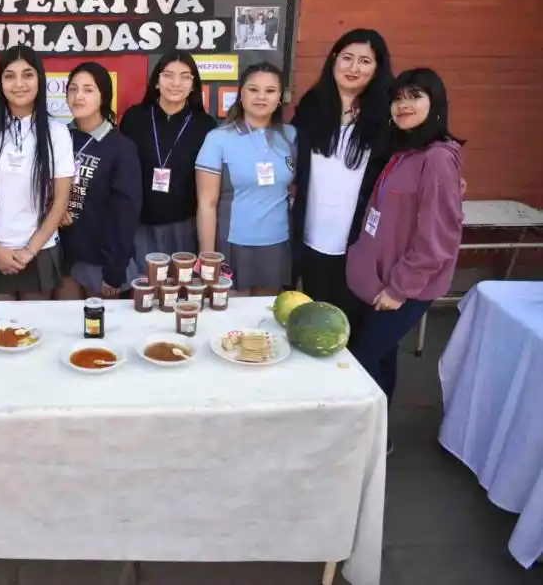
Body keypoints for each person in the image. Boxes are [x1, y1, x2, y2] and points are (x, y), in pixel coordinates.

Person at [346, 68, 464, 409]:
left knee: (361, 361)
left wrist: (400, 288)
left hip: (403, 289)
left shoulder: (438, 159)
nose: (403, 105)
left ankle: (369, 435)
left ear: (436, 103)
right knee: (382, 357)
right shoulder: (404, 151)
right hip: (377, 282)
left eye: (415, 97)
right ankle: (381, 437)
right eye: (398, 98)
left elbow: (437, 238)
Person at [290, 29, 394, 333]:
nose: (353, 68)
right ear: (334, 60)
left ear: (377, 68)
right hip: (312, 235)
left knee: (351, 328)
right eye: (347, 58)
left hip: (359, 242)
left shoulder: (386, 117)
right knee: (315, 323)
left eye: (364, 61)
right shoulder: (312, 105)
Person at [0, 46, 74, 300]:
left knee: (34, 332)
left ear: (39, 80)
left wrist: (31, 250)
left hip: (38, 249)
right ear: (0, 82)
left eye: (27, 75)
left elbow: (61, 199)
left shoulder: (57, 132)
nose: (18, 84)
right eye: (10, 76)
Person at [195, 62, 296, 295]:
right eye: (253, 89)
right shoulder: (218, 139)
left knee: (264, 321)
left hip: (276, 244)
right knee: (230, 320)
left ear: (280, 97)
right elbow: (206, 204)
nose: (261, 97)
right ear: (241, 94)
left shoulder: (291, 136)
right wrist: (207, 257)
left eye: (270, 91)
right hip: (233, 245)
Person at [120, 49, 217, 266]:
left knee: (180, 292)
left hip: (184, 226)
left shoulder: (205, 126)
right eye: (168, 75)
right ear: (156, 81)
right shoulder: (134, 118)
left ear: (193, 85)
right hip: (139, 224)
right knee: (142, 291)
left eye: (185, 77)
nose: (176, 83)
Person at [56, 62, 142, 299]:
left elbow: (125, 214)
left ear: (104, 96)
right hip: (62, 255)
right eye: (72, 89)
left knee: (101, 330)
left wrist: (114, 270)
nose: (78, 96)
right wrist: (53, 208)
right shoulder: (59, 137)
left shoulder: (121, 148)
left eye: (88, 90)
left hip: (100, 261)